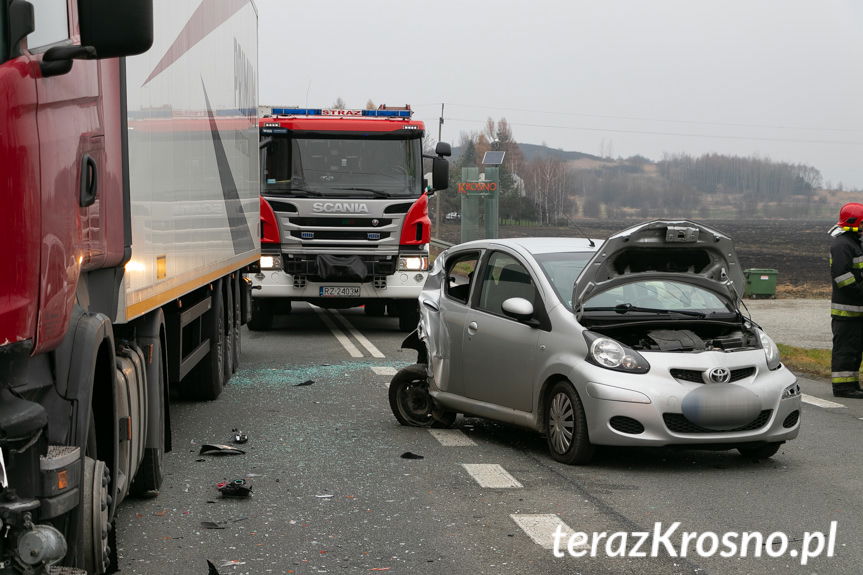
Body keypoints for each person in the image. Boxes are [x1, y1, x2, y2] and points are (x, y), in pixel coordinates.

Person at [829, 202, 863, 398]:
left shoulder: (854, 243)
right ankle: (843, 388)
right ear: (853, 223)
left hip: (855, 310)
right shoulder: (842, 245)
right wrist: (861, 291)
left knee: (854, 351)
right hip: (847, 311)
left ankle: (852, 385)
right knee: (845, 351)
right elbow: (843, 278)